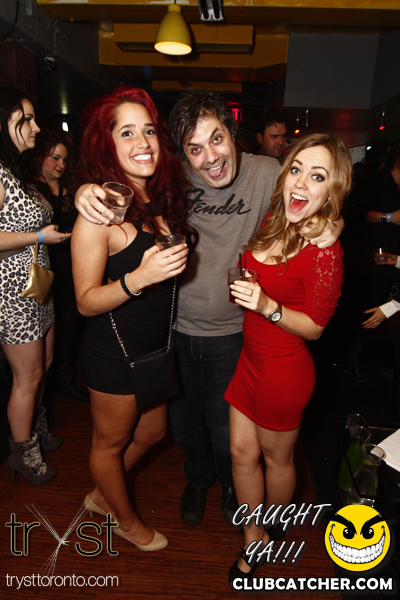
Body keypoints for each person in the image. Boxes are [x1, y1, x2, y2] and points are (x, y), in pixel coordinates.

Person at [74, 91, 344, 529]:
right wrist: (85, 190)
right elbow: (122, 180)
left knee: (226, 430)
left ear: (233, 133)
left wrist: (334, 221)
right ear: (183, 153)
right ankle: (197, 480)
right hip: (175, 330)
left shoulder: (267, 173)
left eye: (217, 139)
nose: (210, 157)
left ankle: (232, 488)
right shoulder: (171, 176)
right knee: (181, 424)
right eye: (194, 148)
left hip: (235, 332)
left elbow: (312, 191)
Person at [224, 133, 352, 584]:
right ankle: (252, 535)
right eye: (296, 169)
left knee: (277, 461)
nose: (300, 182)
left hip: (284, 374)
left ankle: (274, 527)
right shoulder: (275, 220)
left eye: (317, 176)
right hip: (250, 361)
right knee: (240, 453)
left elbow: (315, 327)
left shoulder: (325, 250)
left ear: (332, 189)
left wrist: (266, 306)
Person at [71, 86, 194, 551]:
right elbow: (85, 302)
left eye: (149, 131)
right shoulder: (98, 215)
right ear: (106, 144)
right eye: (127, 133)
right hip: (114, 353)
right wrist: (139, 278)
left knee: (154, 431)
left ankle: (106, 494)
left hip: (155, 348)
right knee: (109, 444)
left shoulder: (156, 199)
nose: (142, 142)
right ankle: (124, 519)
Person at [0, 87, 68, 485]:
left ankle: (36, 431)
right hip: (12, 293)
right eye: (25, 119)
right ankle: (22, 454)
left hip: (37, 286)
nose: (36, 126)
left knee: (43, 365)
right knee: (26, 377)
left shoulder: (16, 171)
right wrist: (39, 237)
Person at [26, 128, 90, 403]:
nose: (61, 165)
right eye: (54, 158)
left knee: (69, 331)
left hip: (72, 268)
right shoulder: (31, 190)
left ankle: (65, 380)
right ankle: (46, 395)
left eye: (64, 159)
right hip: (45, 272)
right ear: (39, 156)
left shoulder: (71, 189)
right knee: (45, 340)